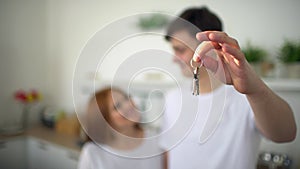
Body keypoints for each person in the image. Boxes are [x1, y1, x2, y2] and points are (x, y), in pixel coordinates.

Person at [159, 6, 297, 169]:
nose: (174, 59)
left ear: (207, 47)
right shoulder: (172, 97)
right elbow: (168, 152)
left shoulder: (247, 97)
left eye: (180, 50)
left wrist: (255, 90)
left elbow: (285, 134)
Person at [78, 87, 166, 169]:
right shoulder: (92, 153)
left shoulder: (157, 140)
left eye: (126, 98)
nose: (128, 105)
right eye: (117, 106)